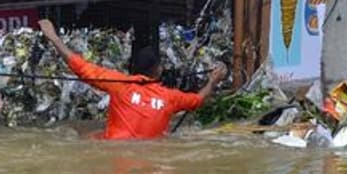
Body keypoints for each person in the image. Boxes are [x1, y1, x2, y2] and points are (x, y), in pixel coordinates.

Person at [38, 19, 224, 140]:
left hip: (113, 151)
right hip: (147, 156)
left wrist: (54, 38)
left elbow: (81, 68)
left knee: (88, 135)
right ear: (158, 70)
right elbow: (198, 100)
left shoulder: (119, 84)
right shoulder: (170, 98)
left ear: (134, 69)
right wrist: (212, 81)